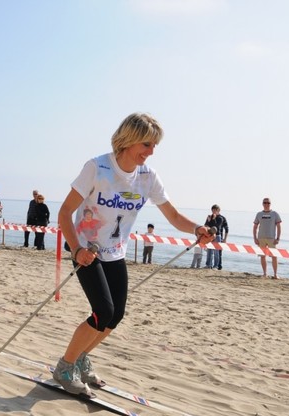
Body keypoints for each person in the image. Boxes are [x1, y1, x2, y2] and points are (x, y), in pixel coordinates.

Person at [51, 112, 216, 396]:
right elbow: (65, 212)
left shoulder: (148, 178)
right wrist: (76, 248)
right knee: (103, 311)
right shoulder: (97, 167)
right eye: (147, 144)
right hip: (86, 250)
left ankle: (80, 358)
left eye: (154, 146)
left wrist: (196, 229)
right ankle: (65, 366)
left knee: (115, 316)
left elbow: (173, 216)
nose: (151, 152)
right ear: (128, 140)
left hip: (115, 252)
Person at [253, 197, 282, 279]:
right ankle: (265, 273)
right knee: (262, 256)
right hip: (261, 238)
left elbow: (279, 226)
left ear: (270, 204)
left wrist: (278, 238)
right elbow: (255, 227)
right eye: (265, 203)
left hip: (271, 238)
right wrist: (255, 238)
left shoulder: (275, 214)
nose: (266, 204)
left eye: (268, 203)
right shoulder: (259, 214)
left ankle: (275, 274)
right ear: (262, 204)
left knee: (274, 256)